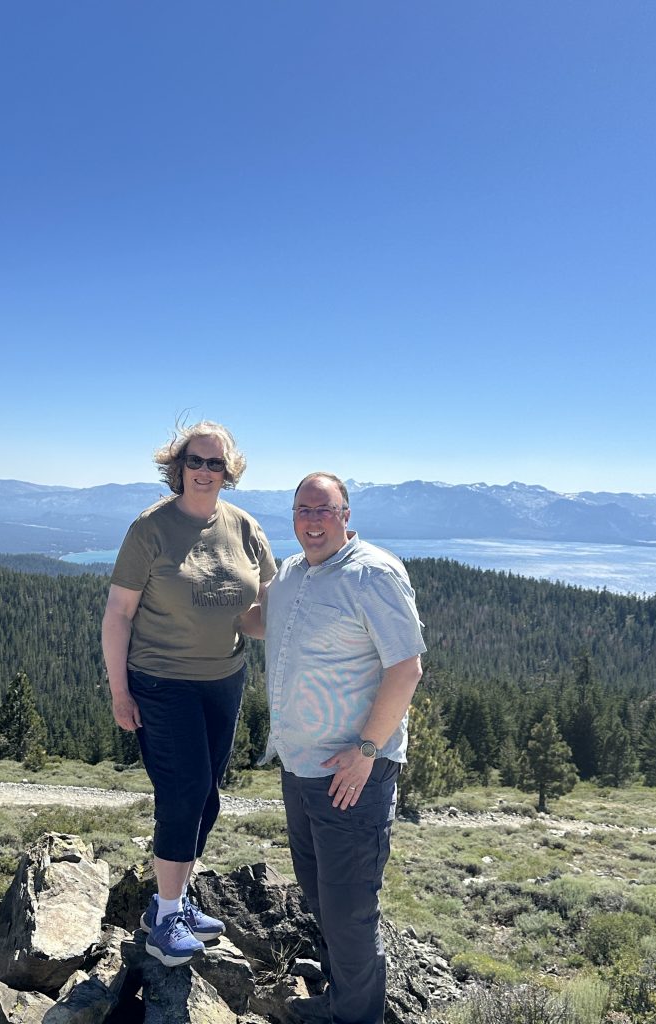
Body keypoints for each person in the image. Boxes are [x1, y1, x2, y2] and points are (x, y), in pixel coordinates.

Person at [243, 472, 426, 1024]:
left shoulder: (373, 573)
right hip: (300, 768)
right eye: (303, 510)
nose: (313, 520)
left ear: (346, 515)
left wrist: (367, 750)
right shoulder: (294, 574)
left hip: (352, 772)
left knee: (349, 911)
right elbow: (258, 622)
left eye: (325, 510)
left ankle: (357, 1015)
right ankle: (344, 993)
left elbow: (406, 666)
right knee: (321, 897)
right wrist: (198, 598)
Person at [101, 420, 276, 967]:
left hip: (224, 680)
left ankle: (171, 901)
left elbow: (255, 615)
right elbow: (119, 613)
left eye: (215, 463)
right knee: (184, 790)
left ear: (229, 471)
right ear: (178, 467)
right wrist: (119, 690)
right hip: (161, 679)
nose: (205, 471)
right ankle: (166, 916)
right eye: (195, 461)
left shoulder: (245, 528)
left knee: (206, 795)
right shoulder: (150, 529)